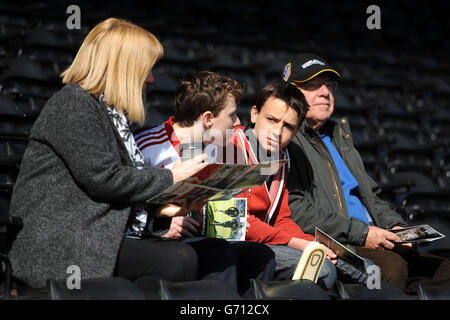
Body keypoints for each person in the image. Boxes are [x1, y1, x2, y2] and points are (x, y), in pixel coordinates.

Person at [7, 18, 209, 292]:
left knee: (205, 255)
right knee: (177, 260)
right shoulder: (73, 104)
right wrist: (173, 176)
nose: (151, 78)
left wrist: (160, 213)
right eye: (146, 69)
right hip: (61, 244)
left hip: (94, 232)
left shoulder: (112, 114)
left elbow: (108, 195)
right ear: (123, 67)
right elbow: (103, 179)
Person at [284, 53, 450, 294]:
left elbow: (372, 197)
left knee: (445, 270)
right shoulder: (288, 140)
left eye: (329, 86)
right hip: (338, 244)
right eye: (312, 86)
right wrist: (362, 234)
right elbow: (296, 209)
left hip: (373, 239)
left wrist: (396, 228)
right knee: (391, 270)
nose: (325, 92)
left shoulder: (340, 137)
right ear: (291, 93)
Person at [135, 71, 276, 296]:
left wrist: (228, 217)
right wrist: (159, 223)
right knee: (219, 253)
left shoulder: (211, 147)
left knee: (261, 255)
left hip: (198, 237)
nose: (237, 122)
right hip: (154, 241)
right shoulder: (148, 147)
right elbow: (124, 204)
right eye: (231, 115)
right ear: (208, 119)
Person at [228, 82, 338, 290]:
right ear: (254, 114)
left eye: (288, 126)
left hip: (266, 242)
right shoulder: (233, 148)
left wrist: (313, 245)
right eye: (271, 120)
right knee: (323, 271)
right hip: (235, 242)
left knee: (342, 266)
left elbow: (281, 218)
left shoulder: (281, 158)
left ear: (296, 132)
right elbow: (239, 222)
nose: (277, 131)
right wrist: (297, 244)